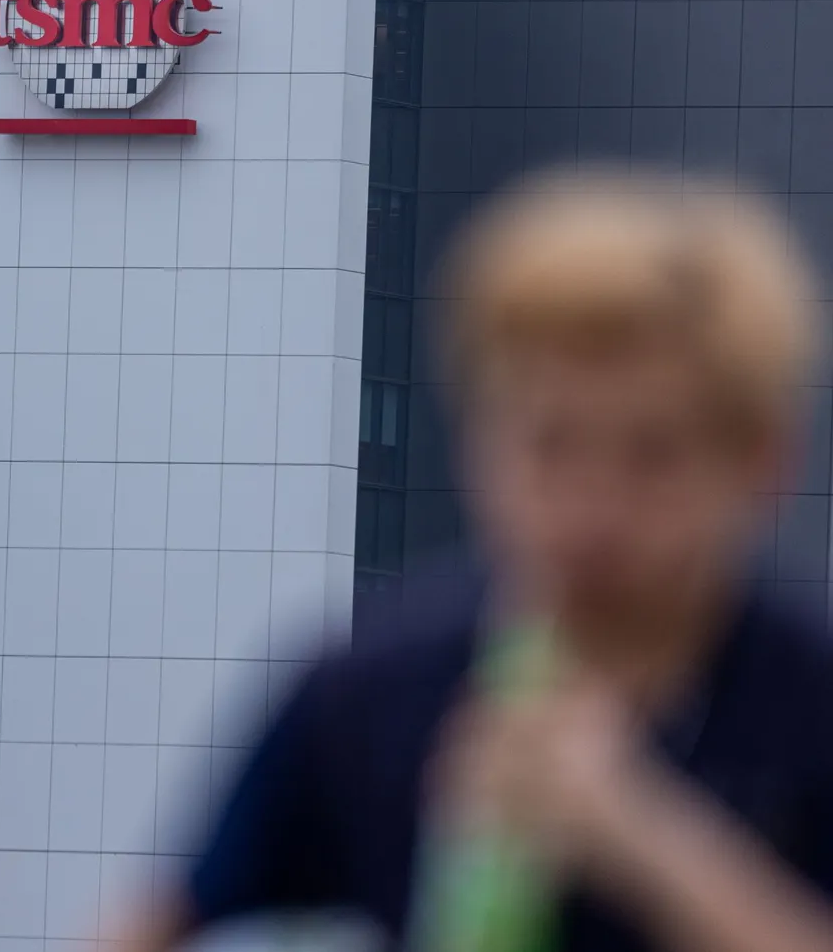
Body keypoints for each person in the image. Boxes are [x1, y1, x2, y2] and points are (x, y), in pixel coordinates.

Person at [126, 170, 833, 952]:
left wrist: (635, 828)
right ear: (475, 437)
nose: (592, 505)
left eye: (653, 454)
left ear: (763, 460)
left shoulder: (807, 695)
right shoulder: (367, 689)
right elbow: (156, 922)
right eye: (548, 443)